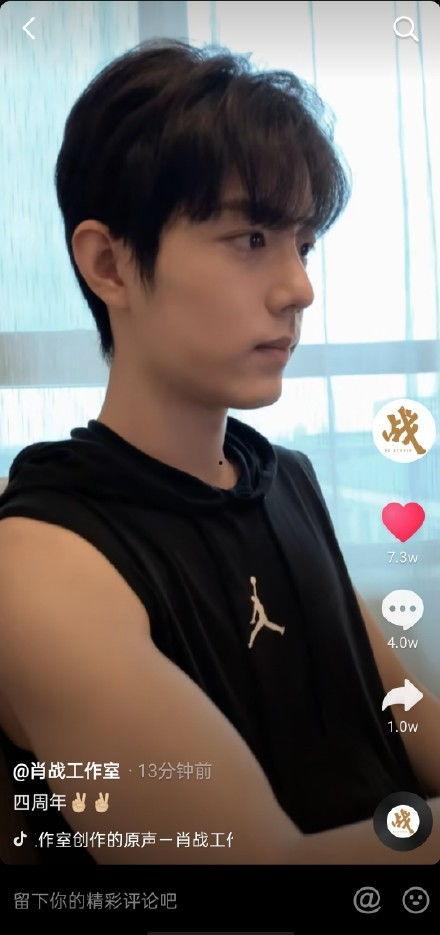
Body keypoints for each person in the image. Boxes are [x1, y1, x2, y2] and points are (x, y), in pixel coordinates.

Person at [0, 38, 439, 867]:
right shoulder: (42, 560)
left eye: (303, 244)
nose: (299, 287)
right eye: (252, 237)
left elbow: (403, 713)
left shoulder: (284, 478)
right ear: (109, 264)